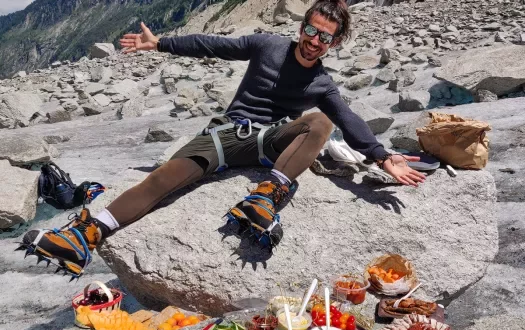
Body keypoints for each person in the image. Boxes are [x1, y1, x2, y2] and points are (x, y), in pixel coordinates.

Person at [19, 0, 425, 278]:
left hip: (271, 143)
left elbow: (348, 119)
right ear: (301, 27)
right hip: (224, 134)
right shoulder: (267, 45)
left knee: (319, 123)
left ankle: (265, 198)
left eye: (325, 37)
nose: (314, 40)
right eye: (311, 30)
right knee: (162, 180)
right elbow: (214, 45)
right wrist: (160, 43)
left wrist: (381, 156)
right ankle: (83, 236)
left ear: (334, 43)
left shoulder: (322, 83)